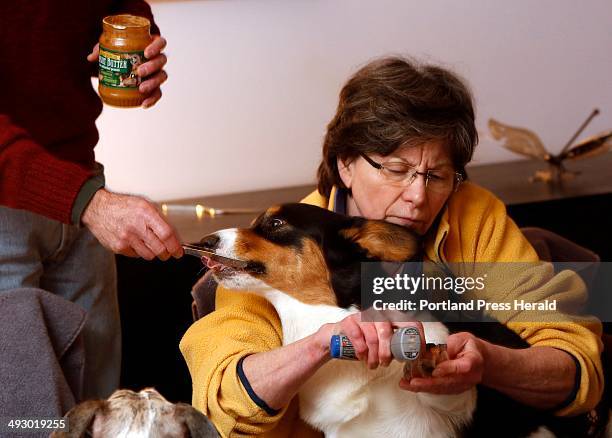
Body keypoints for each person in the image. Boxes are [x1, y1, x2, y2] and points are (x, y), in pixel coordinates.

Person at [179, 57, 603, 437]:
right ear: (345, 164)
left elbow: (576, 363)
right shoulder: (279, 250)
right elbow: (221, 407)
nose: (417, 196)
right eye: (397, 169)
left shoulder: (473, 214)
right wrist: (321, 345)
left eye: (436, 176)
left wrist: (488, 363)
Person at [0, 0, 182, 402]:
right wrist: (89, 203)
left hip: (81, 188)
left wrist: (139, 41)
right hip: (26, 206)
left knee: (97, 408)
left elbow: (116, 8)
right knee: (23, 415)